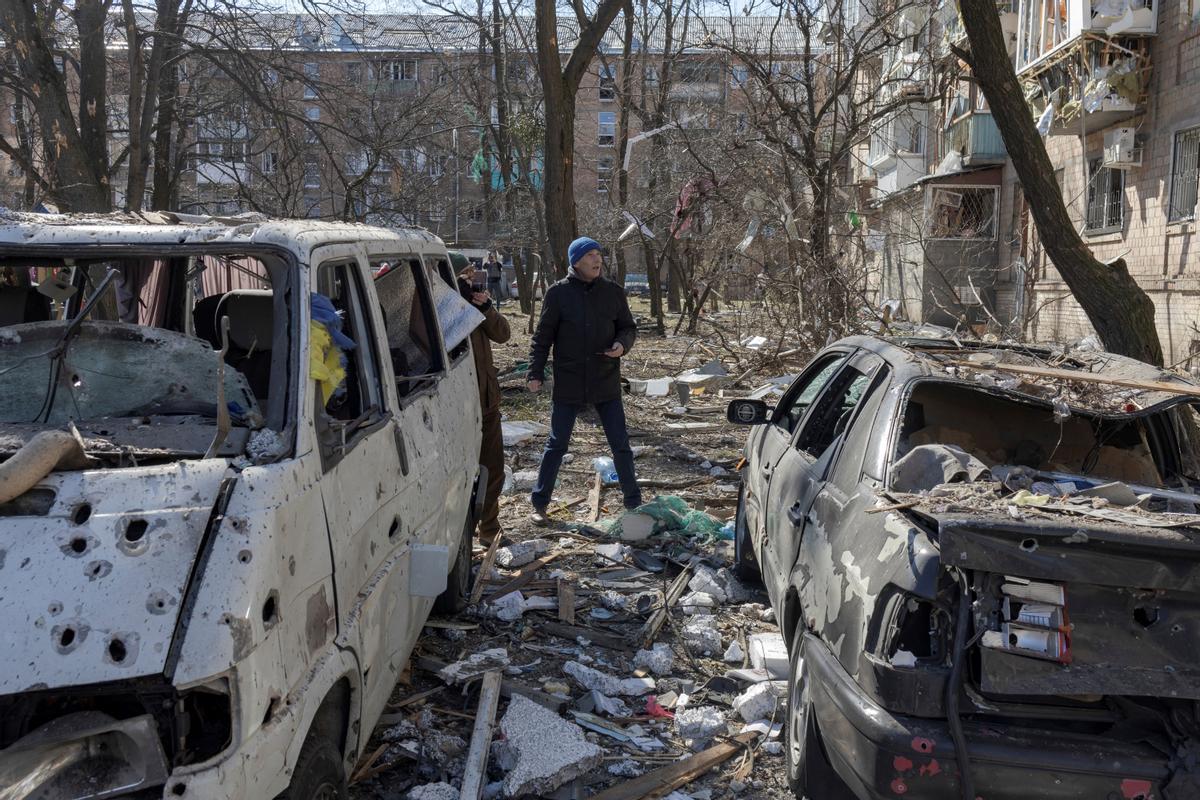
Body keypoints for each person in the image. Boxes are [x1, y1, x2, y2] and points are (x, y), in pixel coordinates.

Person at [526, 237, 639, 524]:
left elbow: (628, 327)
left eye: (599, 254)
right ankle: (539, 503)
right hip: (570, 381)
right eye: (590, 254)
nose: (597, 259)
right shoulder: (558, 294)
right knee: (557, 444)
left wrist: (621, 345)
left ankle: (633, 503)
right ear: (576, 261)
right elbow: (543, 337)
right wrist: (535, 372)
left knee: (620, 444)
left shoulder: (613, 292)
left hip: (605, 380)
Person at [452, 252, 512, 544]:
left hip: (487, 400)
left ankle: (489, 528)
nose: (470, 281)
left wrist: (486, 308)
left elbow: (503, 334)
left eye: (470, 275)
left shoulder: (478, 305)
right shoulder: (437, 308)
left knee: (492, 468)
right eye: (463, 276)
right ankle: (458, 534)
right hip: (455, 407)